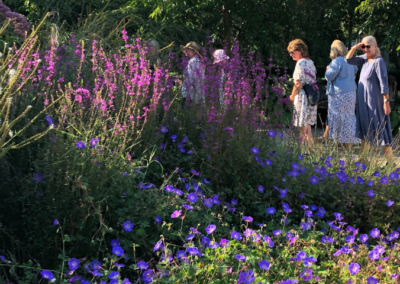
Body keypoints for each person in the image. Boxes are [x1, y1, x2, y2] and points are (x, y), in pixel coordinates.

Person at [346, 35, 394, 163]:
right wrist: (356, 47)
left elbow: (384, 83)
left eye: (368, 46)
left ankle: (391, 162)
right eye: (364, 46)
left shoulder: (378, 61)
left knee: (380, 129)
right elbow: (348, 60)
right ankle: (363, 160)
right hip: (363, 102)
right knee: (364, 129)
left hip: (375, 102)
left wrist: (386, 102)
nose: (365, 49)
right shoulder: (364, 59)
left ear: (375, 46)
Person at [325, 40, 360, 146]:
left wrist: (327, 69)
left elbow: (329, 76)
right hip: (351, 93)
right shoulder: (350, 60)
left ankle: (338, 142)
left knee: (336, 116)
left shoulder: (337, 61)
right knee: (349, 117)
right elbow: (354, 73)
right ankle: (349, 143)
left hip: (338, 94)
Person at [287, 39, 318, 147]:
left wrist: (291, 96)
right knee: (306, 126)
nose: (291, 55)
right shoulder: (310, 62)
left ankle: (310, 151)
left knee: (303, 128)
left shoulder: (300, 63)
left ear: (300, 50)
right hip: (311, 97)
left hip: (302, 97)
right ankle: (305, 151)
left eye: (292, 52)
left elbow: (298, 84)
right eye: (289, 53)